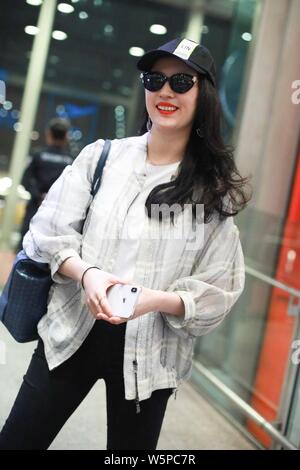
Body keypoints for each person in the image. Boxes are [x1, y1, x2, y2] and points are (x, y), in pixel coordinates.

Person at [0, 37, 250, 450]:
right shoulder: (103, 158)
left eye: (181, 82)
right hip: (72, 330)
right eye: (155, 79)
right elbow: (46, 234)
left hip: (151, 353)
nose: (165, 91)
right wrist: (88, 274)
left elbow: (220, 289)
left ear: (202, 93)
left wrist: (156, 300)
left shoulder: (212, 192)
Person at [16, 117, 73, 253]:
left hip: (35, 207)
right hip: (57, 213)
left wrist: (39, 196)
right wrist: (51, 197)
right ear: (66, 137)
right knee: (49, 251)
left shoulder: (38, 155)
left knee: (25, 246)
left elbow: (25, 180)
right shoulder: (70, 160)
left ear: (48, 134)